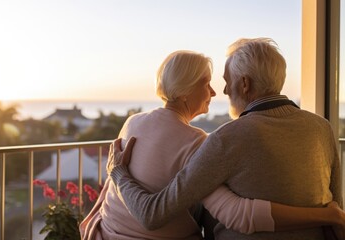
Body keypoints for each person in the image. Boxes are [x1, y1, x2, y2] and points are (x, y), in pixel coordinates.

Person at [107, 38, 344, 239]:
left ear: (244, 84)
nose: (223, 91)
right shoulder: (322, 127)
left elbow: (154, 214)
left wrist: (117, 173)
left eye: (226, 81)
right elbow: (337, 206)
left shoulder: (226, 139)